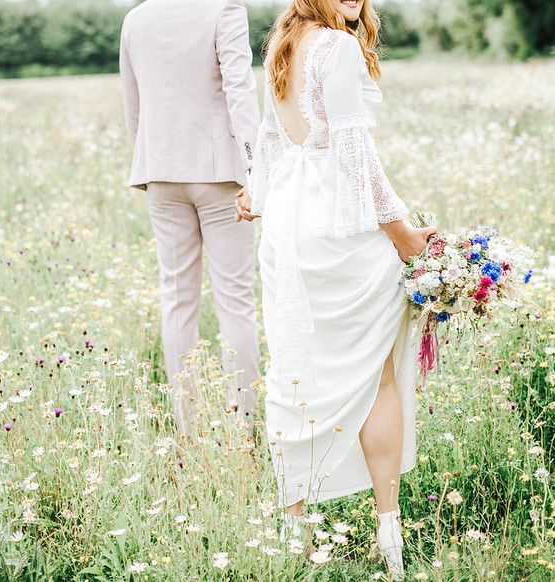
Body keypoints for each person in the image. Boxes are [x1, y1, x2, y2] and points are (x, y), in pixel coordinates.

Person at [235, 0, 436, 577]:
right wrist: (405, 236)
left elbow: (273, 145)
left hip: (289, 232)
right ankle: (389, 535)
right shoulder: (339, 47)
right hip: (338, 230)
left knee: (295, 371)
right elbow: (356, 161)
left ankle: (295, 534)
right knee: (378, 377)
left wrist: (259, 197)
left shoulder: (284, 43)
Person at [119, 0, 261, 437]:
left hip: (159, 172)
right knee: (235, 300)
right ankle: (243, 429)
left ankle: (190, 427)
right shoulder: (225, 11)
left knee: (177, 300)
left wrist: (150, 160)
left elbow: (133, 105)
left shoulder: (135, 20)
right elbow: (240, 90)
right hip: (219, 175)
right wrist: (257, 169)